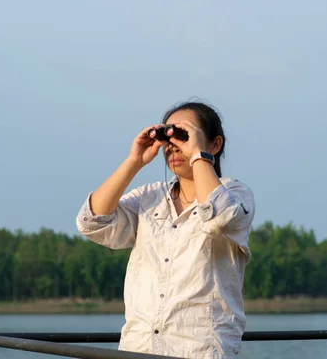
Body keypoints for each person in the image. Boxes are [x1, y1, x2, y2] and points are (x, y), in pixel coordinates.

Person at [75, 100, 255, 358]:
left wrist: (197, 156)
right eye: (169, 136)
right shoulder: (149, 197)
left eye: (185, 135)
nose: (174, 145)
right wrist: (134, 161)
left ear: (215, 144)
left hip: (198, 351)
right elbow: (91, 223)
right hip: (138, 349)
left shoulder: (235, 195)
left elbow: (219, 217)